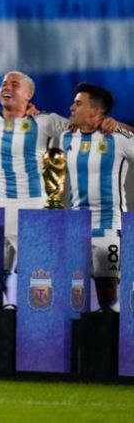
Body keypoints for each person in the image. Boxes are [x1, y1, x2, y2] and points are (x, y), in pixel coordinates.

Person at [0, 71, 70, 305]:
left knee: (38, 274)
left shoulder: (45, 121)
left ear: (28, 95)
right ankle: (1, 320)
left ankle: (38, 328)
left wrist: (115, 125)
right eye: (4, 83)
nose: (7, 87)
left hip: (33, 207)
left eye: (14, 84)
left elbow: (82, 128)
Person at [61, 83, 134, 311]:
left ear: (95, 112)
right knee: (73, 295)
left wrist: (123, 125)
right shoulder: (66, 135)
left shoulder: (118, 137)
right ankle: (79, 345)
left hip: (108, 226)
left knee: (108, 295)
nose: (72, 107)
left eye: (78, 103)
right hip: (75, 226)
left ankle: (112, 344)